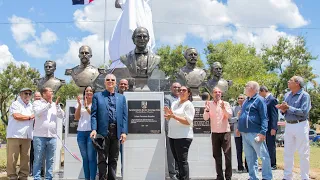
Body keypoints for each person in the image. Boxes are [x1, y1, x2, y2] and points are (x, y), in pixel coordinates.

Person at [90, 74, 128, 180]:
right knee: (102, 159)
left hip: (116, 132)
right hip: (102, 132)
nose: (110, 81)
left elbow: (125, 116)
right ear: (104, 82)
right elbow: (93, 115)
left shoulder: (121, 98)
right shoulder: (98, 96)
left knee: (114, 159)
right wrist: (93, 129)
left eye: (112, 80)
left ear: (115, 83)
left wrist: (124, 132)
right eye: (107, 80)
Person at [276, 76, 311, 180]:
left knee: (303, 152)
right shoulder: (287, 95)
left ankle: (305, 177)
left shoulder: (305, 95)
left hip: (301, 124)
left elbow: (304, 112)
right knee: (288, 151)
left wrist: (288, 108)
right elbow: (285, 110)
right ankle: (287, 177)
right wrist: (282, 109)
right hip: (289, 124)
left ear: (297, 83)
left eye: (290, 80)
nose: (288, 81)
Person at [237, 81, 272, 180]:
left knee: (263, 156)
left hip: (255, 133)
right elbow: (243, 115)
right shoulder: (246, 101)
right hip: (245, 133)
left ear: (252, 88)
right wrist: (239, 128)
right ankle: (253, 177)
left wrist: (262, 132)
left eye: (246, 86)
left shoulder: (260, 100)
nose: (245, 87)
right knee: (250, 158)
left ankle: (267, 177)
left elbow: (264, 117)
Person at [32, 87, 65, 180]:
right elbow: (37, 113)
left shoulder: (55, 104)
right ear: (44, 94)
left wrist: (57, 106)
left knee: (50, 160)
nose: (52, 92)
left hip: (52, 137)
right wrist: (48, 104)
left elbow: (62, 115)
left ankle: (49, 178)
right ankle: (37, 178)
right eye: (50, 91)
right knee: (38, 159)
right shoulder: (37, 103)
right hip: (39, 136)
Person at [164, 86, 195, 180]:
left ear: (189, 93)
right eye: (180, 90)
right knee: (177, 161)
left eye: (184, 90)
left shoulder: (188, 105)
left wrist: (173, 116)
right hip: (172, 136)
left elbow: (188, 121)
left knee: (182, 161)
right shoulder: (174, 103)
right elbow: (171, 117)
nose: (181, 91)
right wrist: (168, 116)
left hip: (183, 137)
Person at [203, 87, 233, 180]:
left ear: (221, 94)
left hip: (225, 132)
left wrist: (223, 108)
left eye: (219, 92)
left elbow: (229, 115)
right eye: (215, 92)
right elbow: (205, 118)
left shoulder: (226, 104)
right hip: (215, 133)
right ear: (212, 94)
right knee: (217, 156)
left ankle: (228, 176)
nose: (217, 94)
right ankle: (219, 176)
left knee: (227, 155)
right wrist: (207, 109)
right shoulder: (209, 104)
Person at [6, 88, 35, 180]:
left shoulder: (31, 106)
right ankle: (12, 176)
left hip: (27, 135)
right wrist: (30, 117)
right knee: (12, 157)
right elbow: (16, 116)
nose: (28, 95)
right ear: (21, 94)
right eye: (26, 93)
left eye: (30, 94)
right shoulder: (15, 104)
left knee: (26, 158)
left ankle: (23, 176)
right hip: (15, 135)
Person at [74, 86, 97, 180]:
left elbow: (94, 115)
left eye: (91, 91)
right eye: (87, 91)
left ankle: (92, 178)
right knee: (85, 158)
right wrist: (80, 105)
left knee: (91, 158)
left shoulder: (96, 103)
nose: (88, 92)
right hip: (81, 133)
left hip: (91, 133)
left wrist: (87, 106)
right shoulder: (80, 103)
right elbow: (77, 117)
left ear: (93, 93)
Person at [164, 82, 181, 180]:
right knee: (171, 152)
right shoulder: (167, 98)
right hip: (171, 128)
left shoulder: (183, 99)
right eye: (175, 87)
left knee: (180, 151)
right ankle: (172, 173)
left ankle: (179, 171)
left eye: (179, 87)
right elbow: (167, 113)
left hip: (182, 129)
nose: (177, 89)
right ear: (171, 88)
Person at [259, 85, 279, 170]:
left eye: (260, 93)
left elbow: (274, 115)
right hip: (265, 127)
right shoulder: (265, 100)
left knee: (271, 145)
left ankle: (272, 164)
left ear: (263, 91)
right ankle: (267, 164)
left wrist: (274, 128)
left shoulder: (272, 100)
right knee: (265, 146)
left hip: (271, 127)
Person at [230, 94, 248, 173]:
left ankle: (248, 166)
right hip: (237, 132)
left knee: (247, 149)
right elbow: (230, 120)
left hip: (246, 132)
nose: (240, 99)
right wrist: (237, 117)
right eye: (239, 98)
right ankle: (240, 166)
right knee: (239, 150)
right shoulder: (234, 108)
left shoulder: (247, 107)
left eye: (242, 98)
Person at [29, 91, 42, 176]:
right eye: (36, 97)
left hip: (41, 134)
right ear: (34, 98)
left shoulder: (43, 106)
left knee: (41, 154)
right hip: (32, 134)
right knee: (32, 153)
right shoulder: (30, 107)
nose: (37, 98)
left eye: (39, 97)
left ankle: (41, 171)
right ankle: (31, 171)